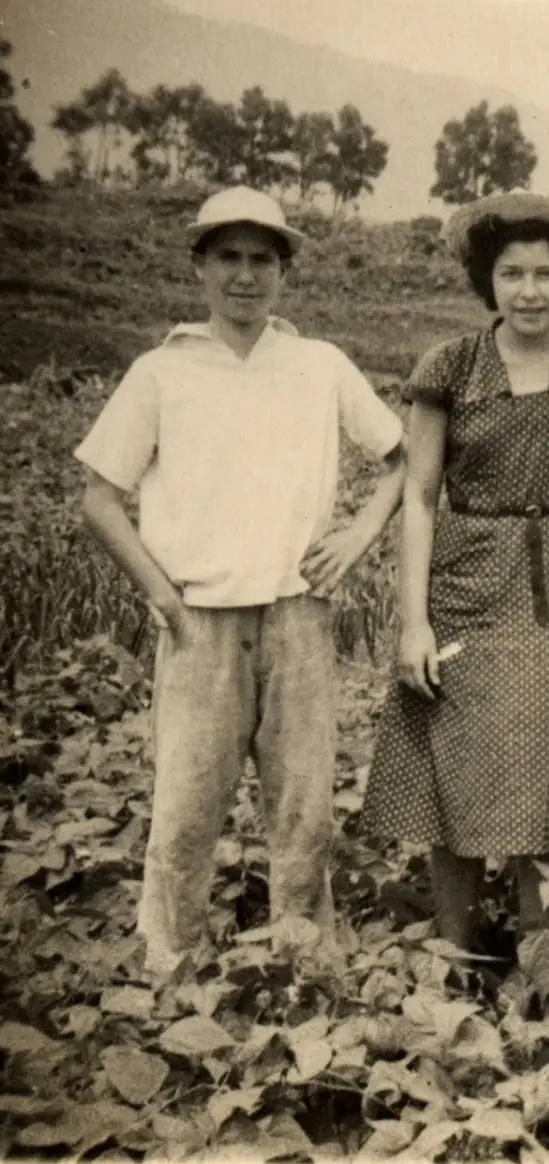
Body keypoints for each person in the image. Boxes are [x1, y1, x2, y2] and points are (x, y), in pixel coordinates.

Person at [75, 186, 407, 974]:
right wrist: (160, 594)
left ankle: (303, 950)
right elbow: (99, 497)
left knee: (303, 806)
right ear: (200, 266)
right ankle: (169, 958)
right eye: (229, 256)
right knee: (187, 805)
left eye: (263, 259)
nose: (246, 275)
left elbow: (401, 459)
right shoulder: (161, 371)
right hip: (199, 620)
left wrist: (358, 534)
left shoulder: (319, 364)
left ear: (284, 272)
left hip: (297, 614)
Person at [361, 192, 549, 950]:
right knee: (457, 772)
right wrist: (413, 622)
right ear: (488, 282)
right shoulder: (449, 366)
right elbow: (419, 497)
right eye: (512, 273)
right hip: (467, 592)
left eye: (547, 274)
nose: (529, 291)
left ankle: (545, 962)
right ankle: (455, 953)